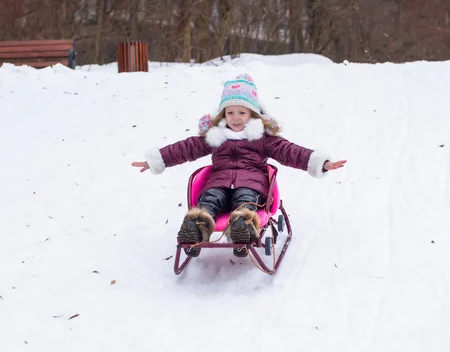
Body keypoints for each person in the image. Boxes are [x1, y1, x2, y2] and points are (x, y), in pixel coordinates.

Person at [132, 73, 346, 257]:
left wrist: (322, 163)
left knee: (245, 200)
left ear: (252, 114)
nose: (235, 118)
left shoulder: (262, 138)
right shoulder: (215, 136)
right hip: (218, 182)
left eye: (242, 113)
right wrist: (156, 159)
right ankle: (196, 228)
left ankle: (242, 227)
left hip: (251, 185)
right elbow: (185, 148)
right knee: (210, 198)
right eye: (230, 112)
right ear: (222, 114)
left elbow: (290, 152)